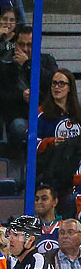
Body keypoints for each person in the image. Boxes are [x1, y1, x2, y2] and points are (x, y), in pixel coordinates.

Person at [0, 25, 58, 150]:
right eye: (21, 44)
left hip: (45, 115)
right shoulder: (3, 63)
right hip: (17, 116)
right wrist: (20, 96)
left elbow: (53, 85)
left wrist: (28, 65)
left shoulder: (48, 61)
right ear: (15, 43)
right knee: (19, 127)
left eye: (30, 45)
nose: (25, 49)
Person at [35, 70, 81, 207]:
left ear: (69, 88)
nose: (57, 87)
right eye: (54, 83)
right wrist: (51, 142)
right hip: (52, 167)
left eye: (61, 84)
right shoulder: (41, 112)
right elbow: (31, 143)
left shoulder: (79, 111)